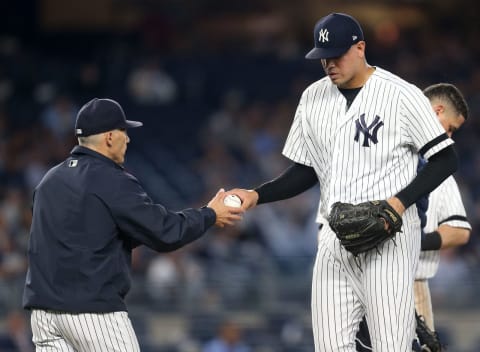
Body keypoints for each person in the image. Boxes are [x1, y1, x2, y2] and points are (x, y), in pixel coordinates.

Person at [226, 13, 458, 351]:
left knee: (390, 346)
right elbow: (307, 170)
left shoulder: (402, 95)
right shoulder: (312, 98)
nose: (329, 64)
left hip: (390, 240)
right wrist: (256, 194)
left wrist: (399, 201)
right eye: (323, 58)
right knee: (330, 346)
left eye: (336, 54)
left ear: (360, 47)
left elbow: (445, 158)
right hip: (334, 239)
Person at [22, 98, 244, 351]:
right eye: (123, 131)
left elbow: (83, 232)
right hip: (93, 315)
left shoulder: (49, 180)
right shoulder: (110, 178)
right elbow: (165, 232)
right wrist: (210, 214)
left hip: (43, 316)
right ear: (108, 137)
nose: (127, 139)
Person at [355, 83, 472, 351]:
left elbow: (460, 231)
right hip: (365, 281)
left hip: (412, 283)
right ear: (437, 111)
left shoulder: (439, 170)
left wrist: (415, 241)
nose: (450, 137)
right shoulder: (379, 152)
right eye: (450, 128)